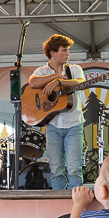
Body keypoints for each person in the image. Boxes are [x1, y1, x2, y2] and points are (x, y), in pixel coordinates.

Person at [28, 34, 85, 189]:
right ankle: (60, 203)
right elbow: (32, 83)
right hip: (52, 126)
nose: (68, 54)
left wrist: (60, 82)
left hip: (74, 125)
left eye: (67, 51)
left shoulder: (74, 69)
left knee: (74, 169)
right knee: (56, 170)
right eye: (64, 50)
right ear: (52, 53)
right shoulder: (42, 71)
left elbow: (80, 82)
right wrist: (55, 76)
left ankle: (76, 205)